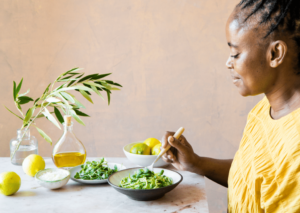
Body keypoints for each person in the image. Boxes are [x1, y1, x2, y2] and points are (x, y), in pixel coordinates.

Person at [161, 0, 300, 212]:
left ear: (275, 54)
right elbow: (254, 178)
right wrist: (197, 163)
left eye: (235, 53)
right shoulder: (263, 110)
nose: (228, 62)